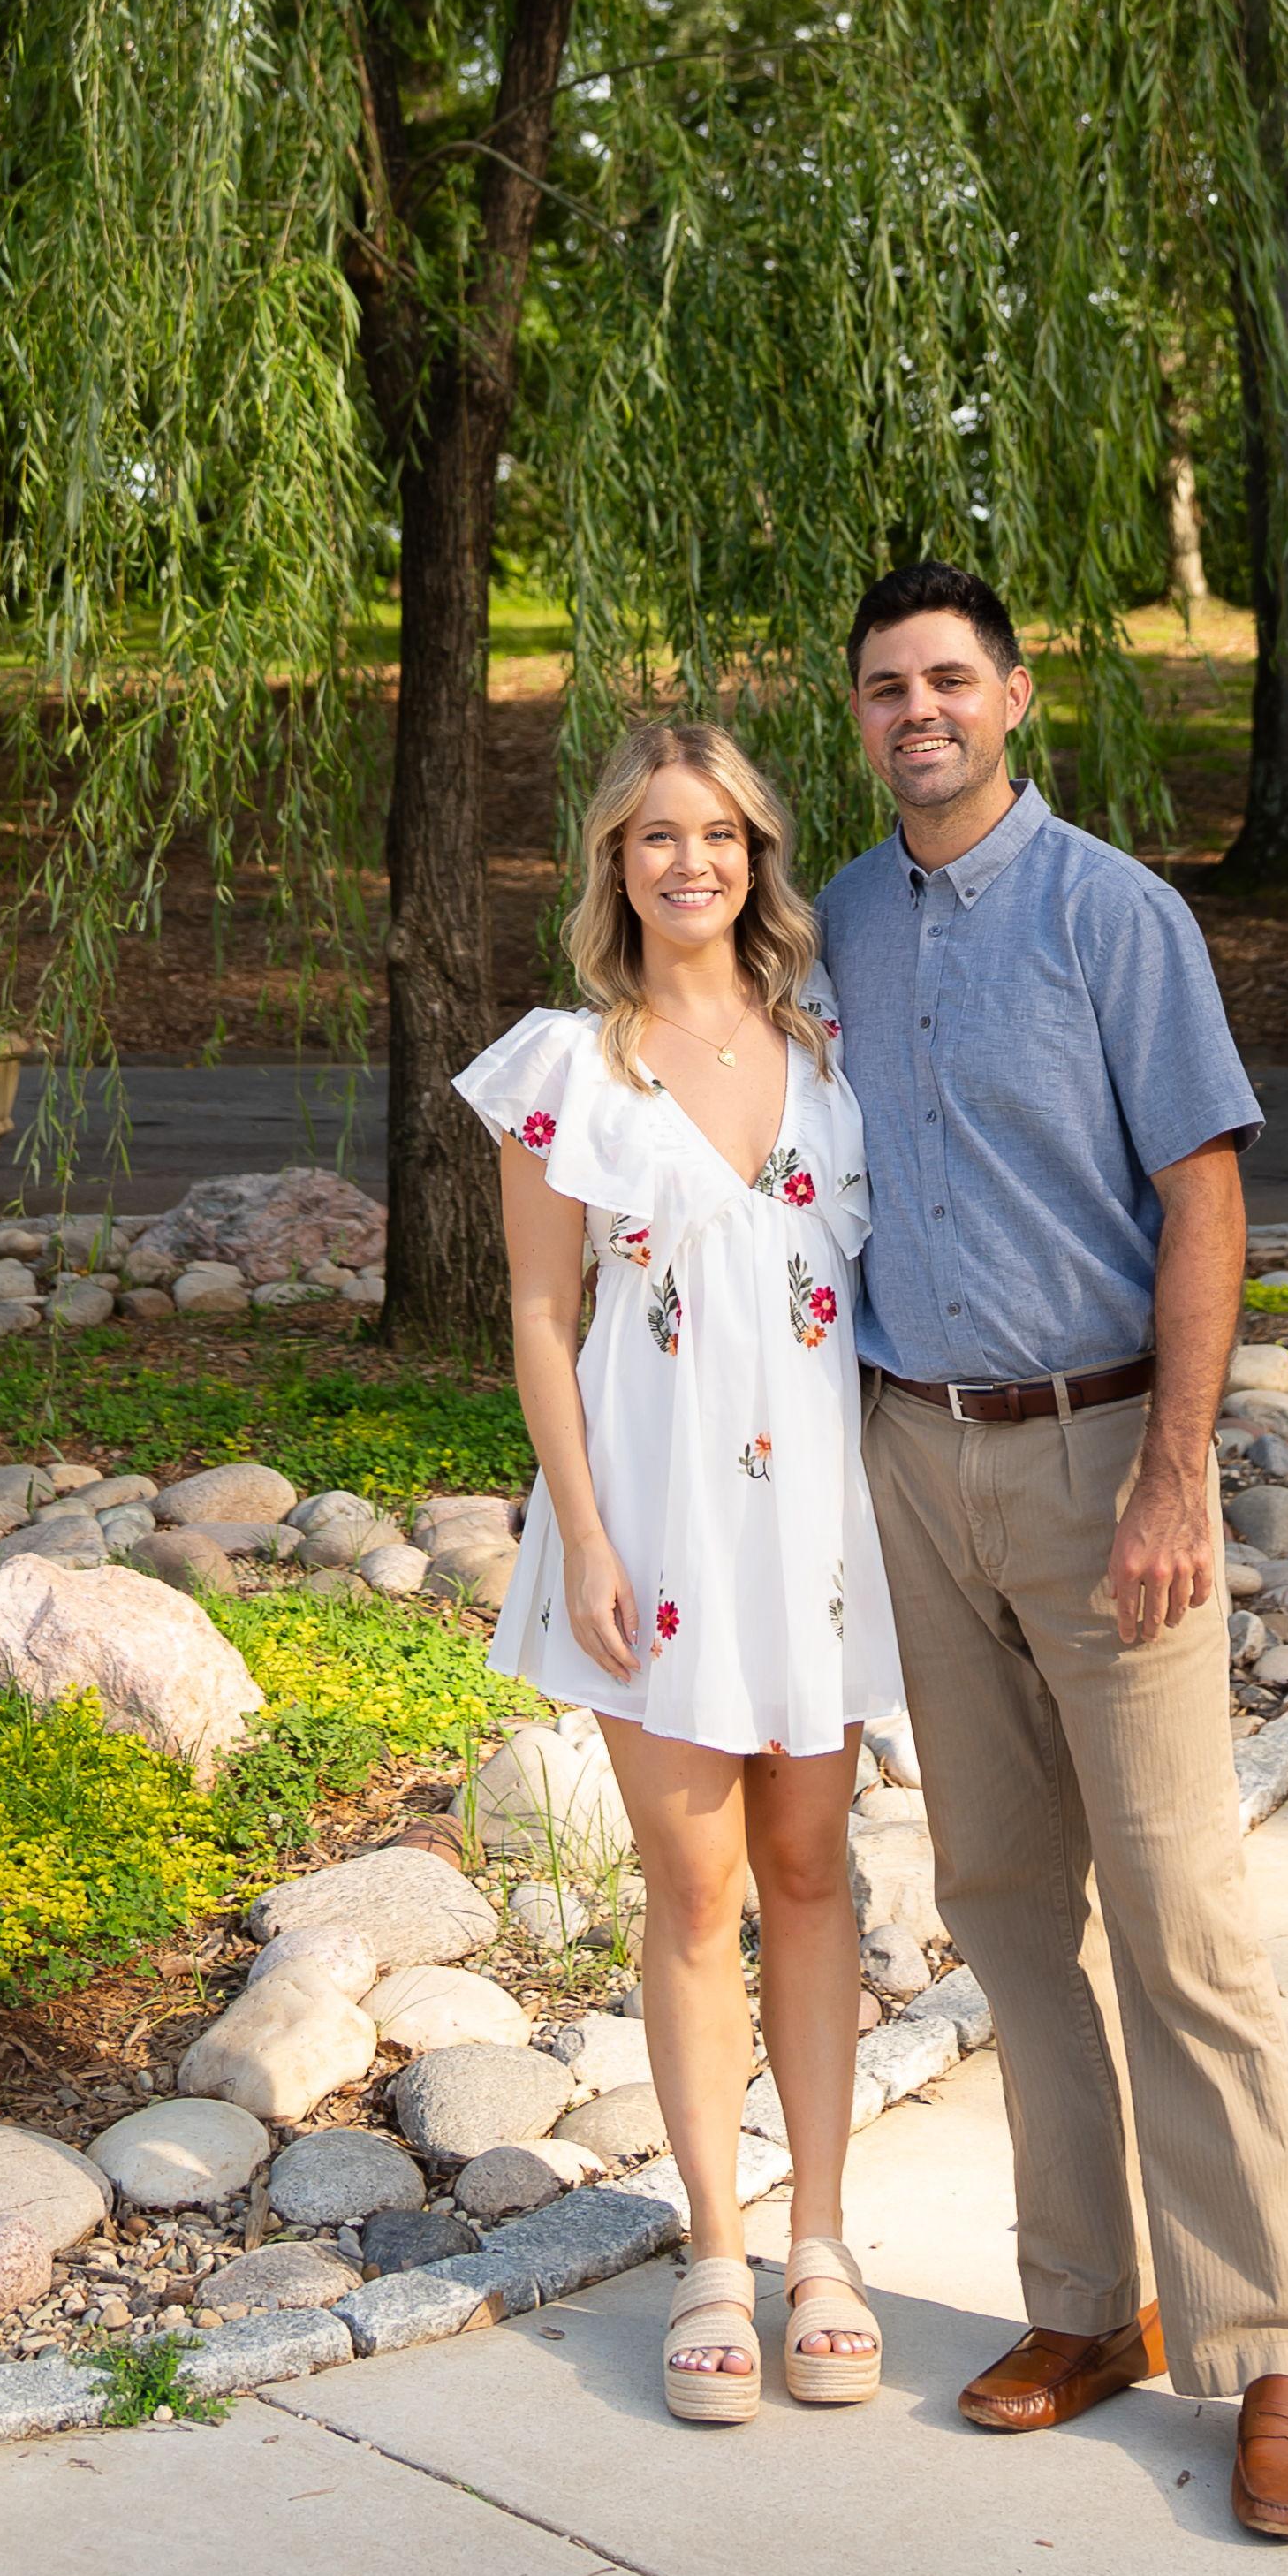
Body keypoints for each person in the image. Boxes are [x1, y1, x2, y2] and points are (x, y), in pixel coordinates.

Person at [819, 559, 1288, 2545]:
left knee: (1178, 1908)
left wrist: (1175, 1476)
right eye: (888, 687)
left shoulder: (1115, 915)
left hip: (1102, 1454)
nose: (921, 712)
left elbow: (1203, 1197)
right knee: (1002, 1897)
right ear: (859, 717)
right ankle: (1084, 2305)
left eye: (950, 679)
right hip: (915, 1458)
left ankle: (1272, 2348)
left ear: (1016, 698)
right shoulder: (841, 923)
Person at [459, 713, 899, 2426]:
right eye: (657, 835)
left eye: (718, 834)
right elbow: (537, 1313)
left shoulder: (833, 1047)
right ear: (616, 864)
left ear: (756, 858)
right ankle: (717, 2253)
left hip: (814, 1530)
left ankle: (825, 2247)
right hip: (650, 1526)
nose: (690, 861)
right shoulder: (566, 1067)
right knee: (696, 1887)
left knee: (810, 1871)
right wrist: (581, 1532)